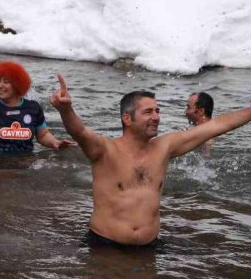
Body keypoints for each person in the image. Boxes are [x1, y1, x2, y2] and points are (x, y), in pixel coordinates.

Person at [50, 76, 251, 247]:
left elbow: (217, 126)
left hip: (150, 246)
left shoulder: (164, 147)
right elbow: (80, 131)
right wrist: (66, 110)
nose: (156, 117)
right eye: (148, 112)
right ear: (127, 119)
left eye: (157, 111)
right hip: (105, 245)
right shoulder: (105, 150)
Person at [0, 61, 75, 154]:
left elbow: (43, 135)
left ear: (18, 84)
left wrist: (55, 142)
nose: (0, 85)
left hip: (24, 165)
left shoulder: (33, 108)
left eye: (6, 81)